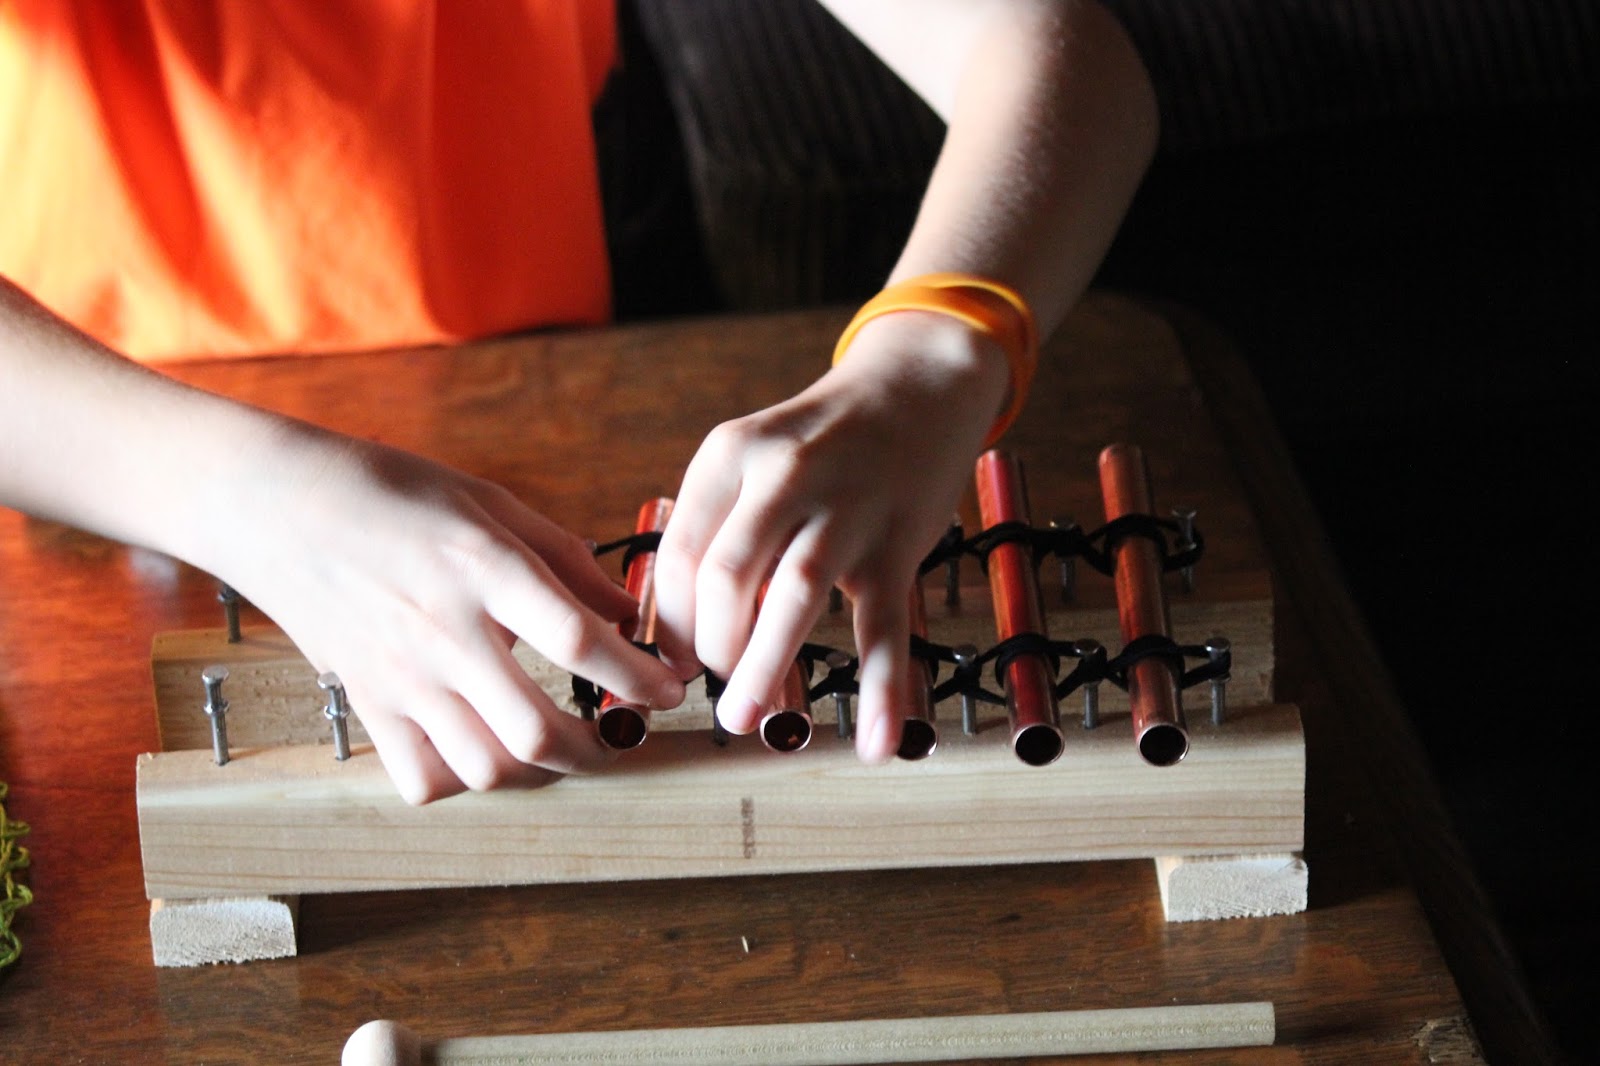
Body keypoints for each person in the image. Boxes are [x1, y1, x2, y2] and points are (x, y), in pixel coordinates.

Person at [0, 0, 1156, 803]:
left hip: (547, 431)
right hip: (87, 465)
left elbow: (1061, 53)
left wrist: (924, 361)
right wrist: (239, 495)